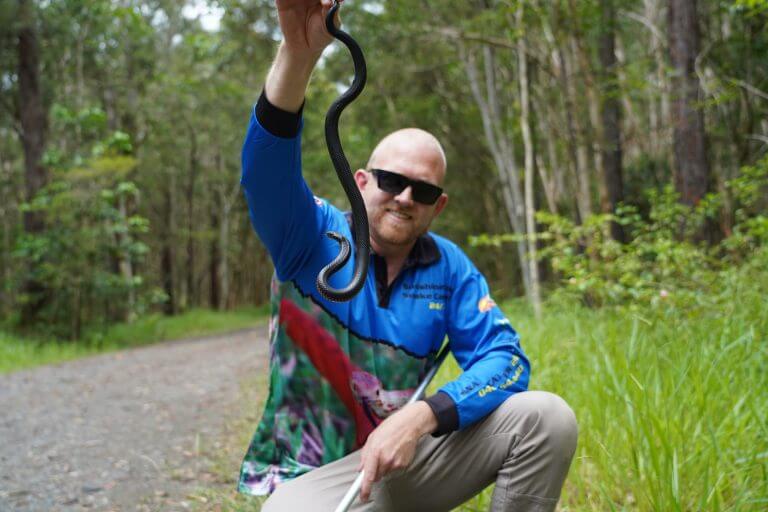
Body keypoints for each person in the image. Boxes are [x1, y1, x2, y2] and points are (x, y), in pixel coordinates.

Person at [238, 1, 577, 510]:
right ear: (362, 181)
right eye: (392, 182)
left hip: (404, 461)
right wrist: (297, 57)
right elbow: (264, 174)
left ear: (437, 206)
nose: (403, 198)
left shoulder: (449, 269)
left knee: (546, 417)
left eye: (421, 191)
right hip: (313, 478)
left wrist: (422, 418)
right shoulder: (309, 235)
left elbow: (505, 361)